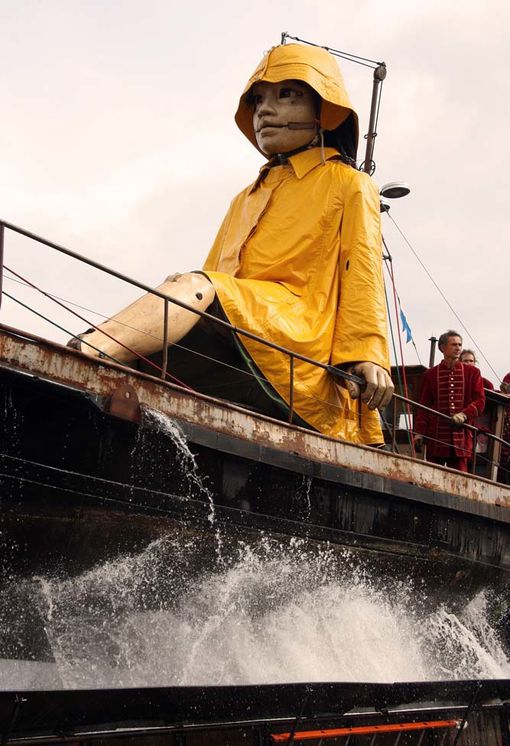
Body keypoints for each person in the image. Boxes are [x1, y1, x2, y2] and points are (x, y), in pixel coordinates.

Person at [70, 43, 393, 444]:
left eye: (286, 95)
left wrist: (368, 354)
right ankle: (95, 386)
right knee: (163, 333)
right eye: (258, 100)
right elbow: (214, 279)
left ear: (323, 109)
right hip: (240, 323)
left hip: (302, 330)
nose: (265, 111)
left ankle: (77, 359)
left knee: (192, 287)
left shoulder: (349, 183)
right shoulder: (244, 197)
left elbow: (361, 268)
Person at [414, 331, 485, 472]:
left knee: (460, 479)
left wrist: (464, 415)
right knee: (431, 475)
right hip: (436, 437)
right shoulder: (430, 374)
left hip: (461, 438)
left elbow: (480, 401)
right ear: (442, 348)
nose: (458, 348)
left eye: (459, 344)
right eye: (453, 344)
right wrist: (419, 433)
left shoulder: (472, 373)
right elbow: (424, 406)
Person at [460, 349, 494, 467]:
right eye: (465, 361)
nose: (468, 363)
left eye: (471, 361)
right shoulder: (455, 380)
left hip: (478, 430)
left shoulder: (485, 383)